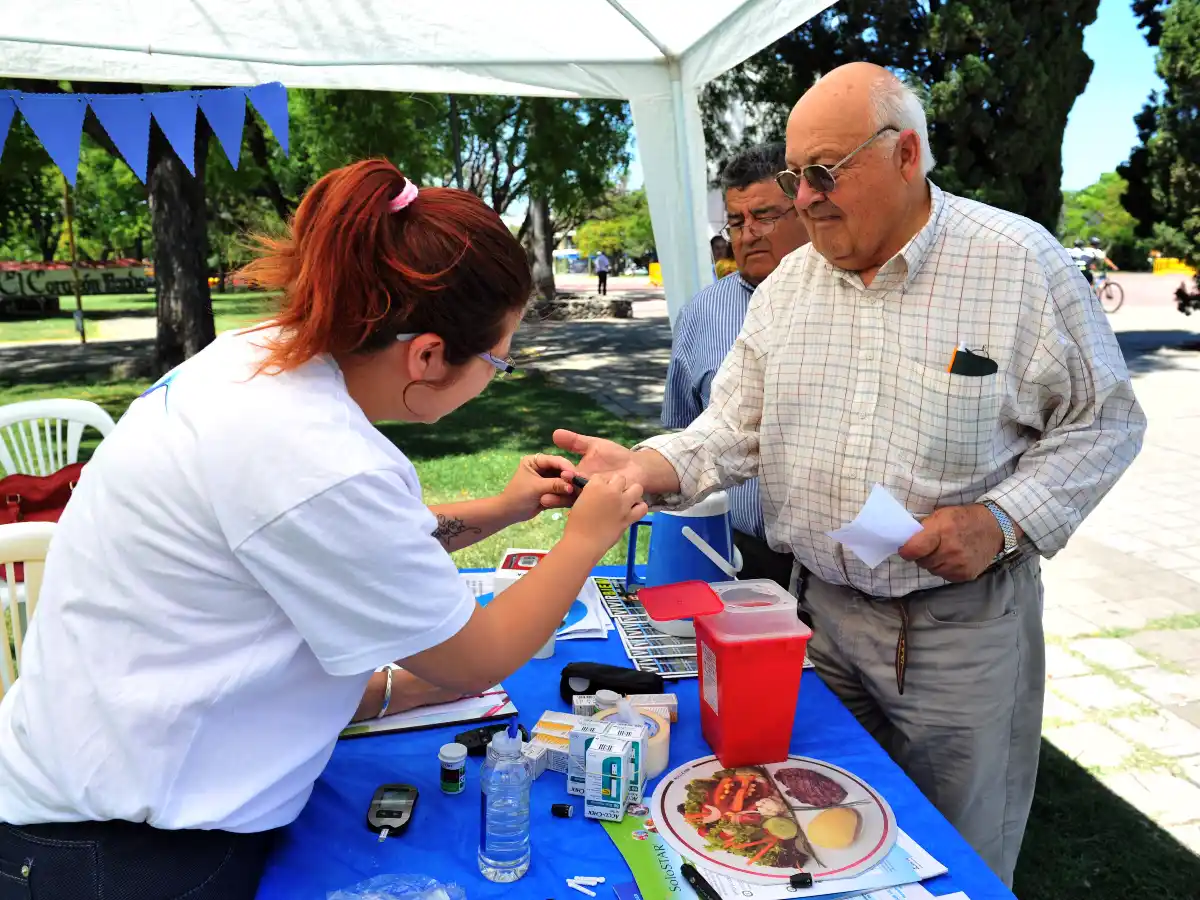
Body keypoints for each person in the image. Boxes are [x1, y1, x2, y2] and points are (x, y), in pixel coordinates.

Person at [552, 63, 1146, 884]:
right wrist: (647, 467)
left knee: (953, 859)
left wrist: (1000, 520)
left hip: (961, 636)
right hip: (820, 622)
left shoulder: (1017, 264)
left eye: (825, 172)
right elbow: (731, 429)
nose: (804, 199)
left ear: (908, 155)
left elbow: (1105, 422)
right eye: (797, 177)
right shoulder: (790, 287)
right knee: (810, 841)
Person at [0, 159, 647, 899]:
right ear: (429, 354)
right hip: (122, 849)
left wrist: (503, 511)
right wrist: (584, 538)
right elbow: (477, 661)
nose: (496, 376)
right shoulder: (317, 457)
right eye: (498, 360)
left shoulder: (257, 364)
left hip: (99, 779)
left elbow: (340, 544)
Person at [664, 142, 811, 588]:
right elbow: (684, 434)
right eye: (735, 221)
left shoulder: (847, 303)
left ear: (804, 211)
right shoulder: (700, 315)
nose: (748, 234)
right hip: (738, 554)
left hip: (839, 569)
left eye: (765, 215)